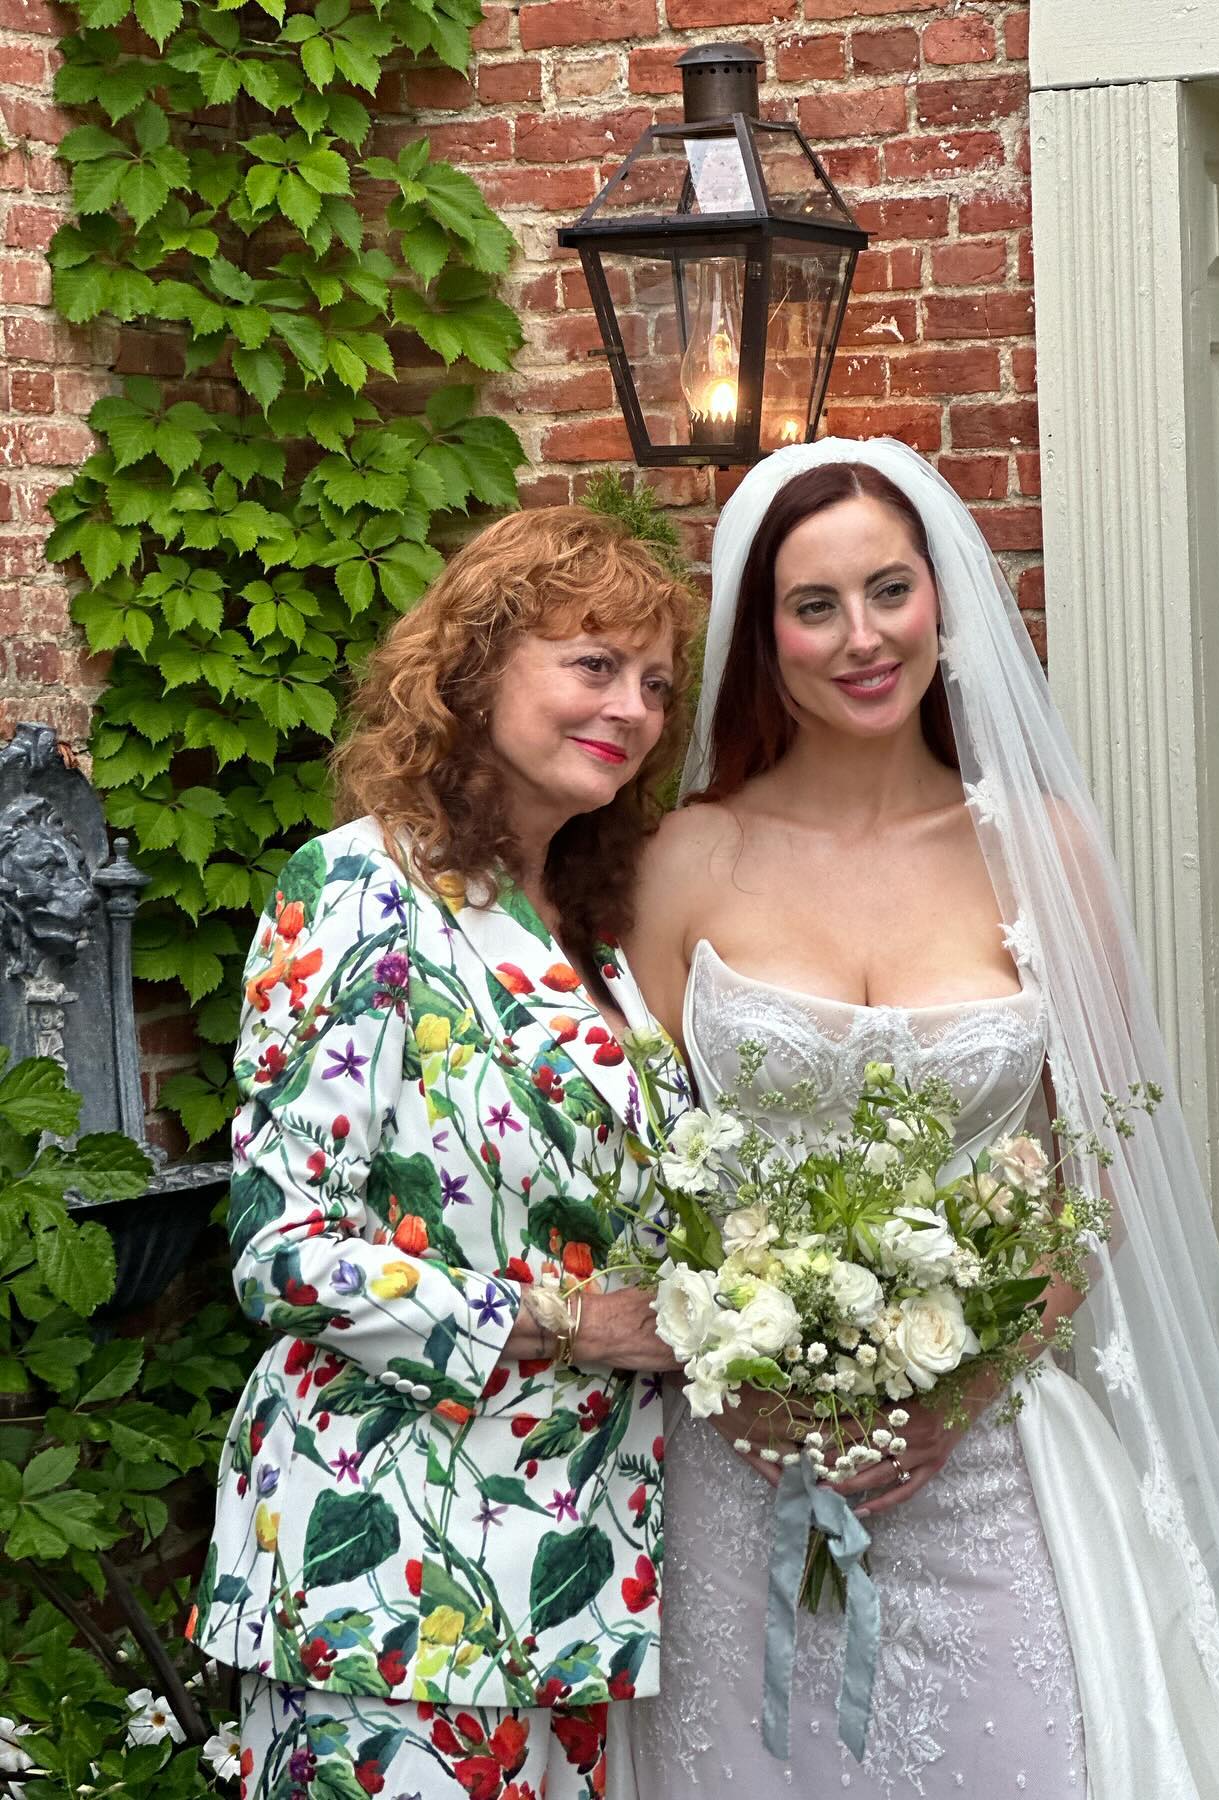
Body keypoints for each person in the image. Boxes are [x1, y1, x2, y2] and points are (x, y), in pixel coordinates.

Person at [615, 440, 1219, 1799]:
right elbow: (631, 1162)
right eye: (815, 605)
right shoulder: (689, 857)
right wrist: (738, 1348)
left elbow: (1099, 1169)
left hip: (985, 1457)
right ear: (761, 636)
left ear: (943, 598)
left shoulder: (1041, 846)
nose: (862, 638)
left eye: (888, 589)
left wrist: (954, 1390)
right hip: (744, 1460)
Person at [191, 508, 697, 1799]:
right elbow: (283, 1248)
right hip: (394, 1583)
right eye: (593, 665)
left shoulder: (596, 936)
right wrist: (578, 1321)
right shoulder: (359, 890)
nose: (631, 709)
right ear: (473, 669)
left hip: (577, 1584)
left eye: (653, 684)